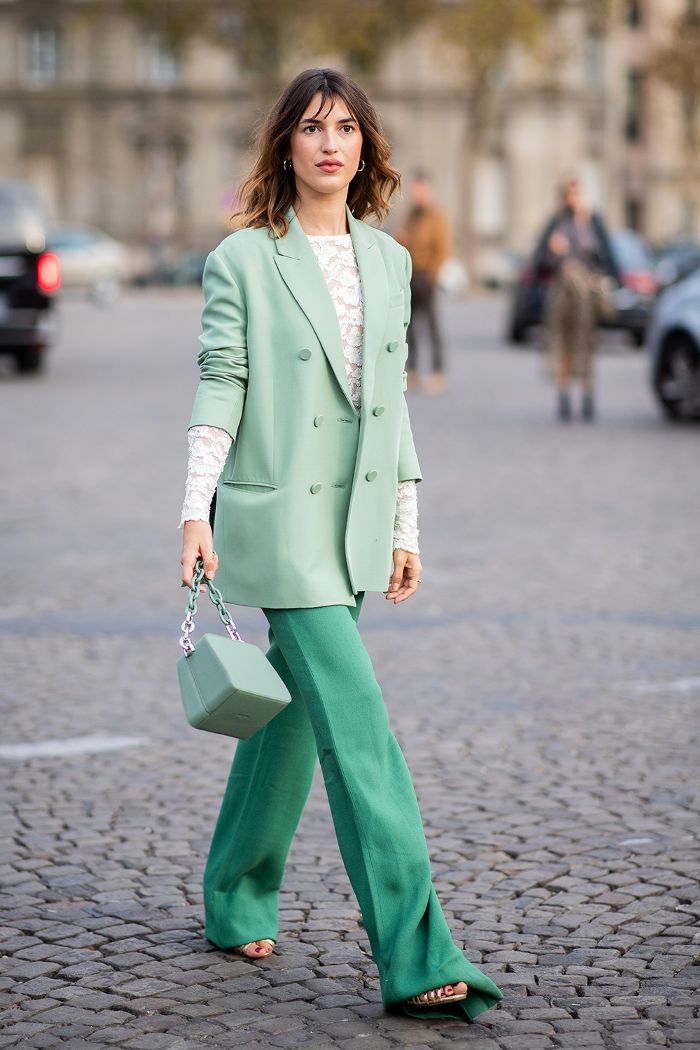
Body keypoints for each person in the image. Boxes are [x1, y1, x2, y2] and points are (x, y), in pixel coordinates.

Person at [178, 67, 503, 1024]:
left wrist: (404, 522)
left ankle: (234, 893)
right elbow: (221, 382)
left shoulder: (391, 261)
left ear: (366, 147)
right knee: (360, 733)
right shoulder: (243, 259)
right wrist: (194, 509)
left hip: (354, 527)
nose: (331, 143)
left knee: (285, 723)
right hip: (279, 526)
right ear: (285, 143)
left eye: (348, 128)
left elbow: (391, 402)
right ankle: (418, 953)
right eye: (313, 128)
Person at [534, 175, 618, 422]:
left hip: (587, 296)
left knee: (588, 345)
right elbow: (538, 263)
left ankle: (588, 399)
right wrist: (552, 251)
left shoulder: (593, 222)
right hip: (562, 296)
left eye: (576, 193)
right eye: (568, 194)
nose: (573, 199)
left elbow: (609, 259)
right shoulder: (555, 224)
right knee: (562, 346)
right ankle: (564, 400)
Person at [394, 171, 451, 393]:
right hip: (409, 275)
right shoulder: (410, 215)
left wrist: (434, 276)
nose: (415, 194)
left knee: (432, 326)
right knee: (409, 328)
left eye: (419, 190)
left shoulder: (436, 217)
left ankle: (438, 372)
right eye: (413, 190)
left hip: (427, 276)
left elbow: (443, 248)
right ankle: (413, 371)